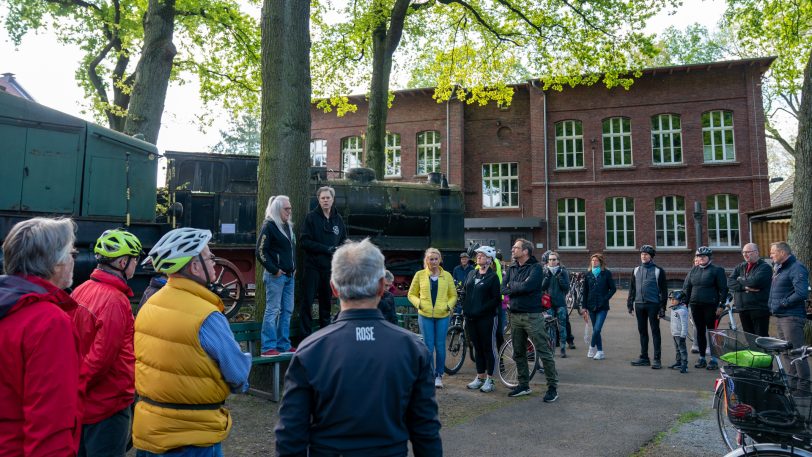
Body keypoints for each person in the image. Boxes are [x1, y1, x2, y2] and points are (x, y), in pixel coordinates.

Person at [275, 238, 442, 456]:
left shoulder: (310, 351)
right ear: (382, 286)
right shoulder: (413, 350)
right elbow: (426, 431)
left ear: (334, 288)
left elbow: (290, 436)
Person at [133, 227, 251, 457]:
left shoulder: (148, 305)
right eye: (210, 258)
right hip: (193, 438)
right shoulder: (208, 317)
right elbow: (237, 374)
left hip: (150, 433)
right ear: (194, 266)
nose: (215, 265)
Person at [0, 217, 82, 457]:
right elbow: (50, 423)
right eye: (71, 253)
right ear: (55, 263)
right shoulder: (49, 322)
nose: (72, 261)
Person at [71, 228, 143, 456]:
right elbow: (101, 359)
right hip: (107, 405)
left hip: (84, 405)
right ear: (123, 262)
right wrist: (79, 387)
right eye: (135, 259)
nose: (136, 265)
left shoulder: (81, 290)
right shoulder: (115, 301)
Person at [501, 238, 558, 401]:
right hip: (515, 315)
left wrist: (513, 287)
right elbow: (503, 288)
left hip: (532, 316)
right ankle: (523, 385)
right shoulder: (511, 267)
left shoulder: (536, 268)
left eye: (515, 248)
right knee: (518, 352)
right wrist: (516, 287)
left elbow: (529, 287)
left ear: (525, 251)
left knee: (543, 350)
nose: (512, 250)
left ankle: (553, 387)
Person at [299, 186, 347, 336]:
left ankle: (325, 335)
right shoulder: (311, 218)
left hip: (330, 268)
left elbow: (344, 240)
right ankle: (304, 337)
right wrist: (325, 248)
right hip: (312, 267)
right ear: (318, 200)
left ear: (333, 200)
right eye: (322, 198)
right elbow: (304, 242)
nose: (325, 200)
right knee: (307, 302)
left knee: (326, 304)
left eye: (328, 198)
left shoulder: (338, 220)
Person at [408, 247, 458, 388]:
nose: (434, 261)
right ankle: (429, 375)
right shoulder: (419, 275)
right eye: (431, 259)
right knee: (428, 346)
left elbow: (453, 295)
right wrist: (420, 304)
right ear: (427, 260)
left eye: (436, 259)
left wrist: (448, 306)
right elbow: (411, 294)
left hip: (442, 315)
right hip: (425, 315)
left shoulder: (447, 276)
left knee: (440, 346)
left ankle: (439, 375)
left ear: (440, 260)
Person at [256, 195, 296, 357]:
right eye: (286, 209)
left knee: (287, 310)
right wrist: (274, 270)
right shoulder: (269, 226)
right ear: (277, 209)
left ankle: (283, 344)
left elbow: (292, 249)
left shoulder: (287, 226)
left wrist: (294, 267)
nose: (289, 211)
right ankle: (268, 347)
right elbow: (260, 251)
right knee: (273, 310)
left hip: (289, 276)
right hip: (276, 277)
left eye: (290, 208)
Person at [768, 241, 810, 393]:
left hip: (792, 317)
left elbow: (801, 293)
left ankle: (804, 388)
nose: (770, 255)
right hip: (781, 317)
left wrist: (783, 303)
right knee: (786, 353)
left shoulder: (796, 268)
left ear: (782, 253)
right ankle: (792, 386)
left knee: (798, 352)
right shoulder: (779, 269)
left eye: (773, 252)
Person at [460, 246, 502, 393]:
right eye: (478, 255)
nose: (478, 257)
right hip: (471, 318)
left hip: (487, 318)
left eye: (482, 255)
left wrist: (481, 309)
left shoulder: (493, 277)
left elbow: (496, 299)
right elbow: (465, 291)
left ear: (489, 259)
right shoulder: (472, 273)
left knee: (488, 348)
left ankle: (490, 379)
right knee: (477, 348)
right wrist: (464, 307)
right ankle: (480, 377)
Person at [683, 246, 728, 371]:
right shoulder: (693, 271)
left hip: (711, 306)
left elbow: (723, 289)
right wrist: (684, 305)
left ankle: (713, 359)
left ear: (709, 257)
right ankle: (702, 357)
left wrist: (721, 305)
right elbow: (687, 289)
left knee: (712, 333)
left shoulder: (717, 270)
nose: (701, 258)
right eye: (698, 256)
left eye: (703, 256)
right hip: (696, 306)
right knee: (700, 332)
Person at [627, 245, 668, 369]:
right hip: (639, 304)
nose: (643, 256)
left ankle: (657, 359)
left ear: (651, 256)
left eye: (646, 254)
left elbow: (664, 291)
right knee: (642, 331)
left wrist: (662, 308)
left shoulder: (658, 271)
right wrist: (630, 304)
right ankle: (644, 357)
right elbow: (632, 289)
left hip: (653, 305)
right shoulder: (635, 270)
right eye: (642, 254)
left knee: (655, 331)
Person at [727, 242, 772, 337]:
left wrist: (739, 279)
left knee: (761, 337)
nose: (745, 254)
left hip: (758, 308)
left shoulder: (765, 267)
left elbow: (755, 282)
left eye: (748, 252)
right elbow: (730, 282)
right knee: (749, 337)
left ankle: (763, 352)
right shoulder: (741, 266)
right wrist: (744, 287)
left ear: (756, 252)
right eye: (743, 252)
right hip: (743, 308)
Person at [581, 253, 616, 360]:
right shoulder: (588, 274)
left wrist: (605, 298)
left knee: (596, 329)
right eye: (592, 261)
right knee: (597, 330)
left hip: (602, 306)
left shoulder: (606, 273)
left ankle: (592, 347)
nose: (594, 262)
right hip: (591, 306)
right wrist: (584, 306)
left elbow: (613, 288)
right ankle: (600, 351)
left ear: (600, 262)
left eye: (596, 260)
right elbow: (585, 291)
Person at [541, 251, 571, 358]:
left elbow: (566, 288)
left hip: (560, 304)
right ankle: (551, 350)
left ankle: (563, 348)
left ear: (558, 261)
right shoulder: (545, 271)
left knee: (562, 326)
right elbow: (542, 287)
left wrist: (560, 278)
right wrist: (547, 277)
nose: (552, 262)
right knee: (550, 328)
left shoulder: (563, 272)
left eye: (554, 259)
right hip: (549, 304)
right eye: (550, 260)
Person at [668, 290, 690, 373]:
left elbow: (684, 325)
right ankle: (678, 362)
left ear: (680, 300)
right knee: (677, 349)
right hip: (674, 333)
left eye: (674, 299)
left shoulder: (682, 311)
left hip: (680, 335)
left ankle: (684, 365)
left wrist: (683, 336)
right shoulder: (674, 309)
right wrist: (663, 317)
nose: (672, 301)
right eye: (671, 299)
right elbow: (672, 320)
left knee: (682, 350)